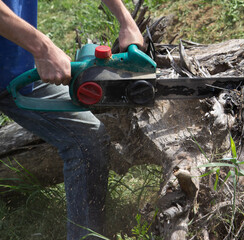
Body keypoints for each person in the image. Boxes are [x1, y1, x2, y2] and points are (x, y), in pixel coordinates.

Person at [0, 0, 145, 239]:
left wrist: (125, 20)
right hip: (24, 56)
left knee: (87, 137)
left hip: (15, 66)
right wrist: (43, 48)